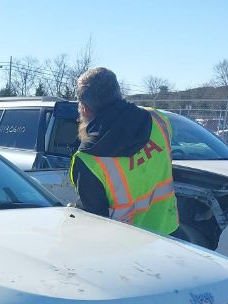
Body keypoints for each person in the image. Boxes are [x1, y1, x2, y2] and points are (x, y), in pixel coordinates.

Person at [69, 67, 180, 236]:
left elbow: (92, 224)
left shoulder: (88, 160)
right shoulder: (158, 120)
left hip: (124, 246)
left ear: (84, 107)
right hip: (167, 231)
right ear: (118, 93)